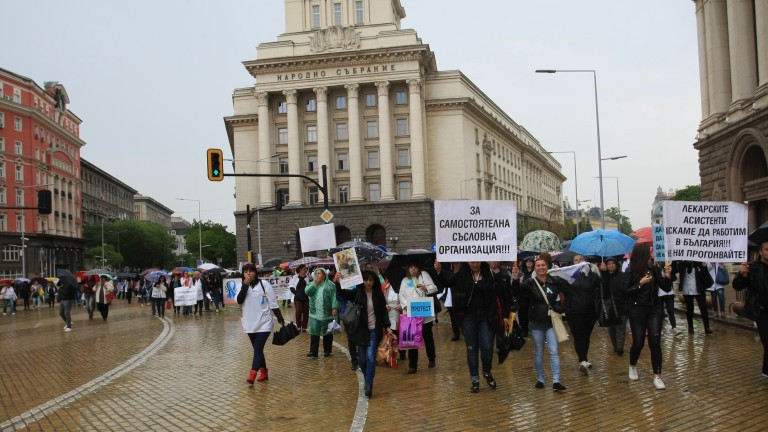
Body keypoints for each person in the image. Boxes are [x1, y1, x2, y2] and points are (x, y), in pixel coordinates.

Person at [436, 261, 508, 392]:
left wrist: (504, 315)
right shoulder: (462, 274)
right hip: (468, 317)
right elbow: (447, 282)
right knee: (471, 348)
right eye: (472, 262)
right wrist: (439, 271)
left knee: (487, 346)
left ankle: (487, 372)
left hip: (486, 317)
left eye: (477, 261)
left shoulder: (489, 274)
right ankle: (475, 379)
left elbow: (501, 292)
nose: (474, 264)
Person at [334, 270, 392, 398]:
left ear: (374, 281)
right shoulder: (357, 293)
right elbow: (344, 294)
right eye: (366, 280)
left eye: (371, 280)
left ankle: (369, 385)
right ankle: (368, 377)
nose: (368, 283)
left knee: (371, 357)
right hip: (360, 330)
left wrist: (387, 326)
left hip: (373, 330)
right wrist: (337, 282)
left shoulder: (378, 294)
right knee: (363, 360)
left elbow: (383, 311)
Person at [513, 258, 567, 392]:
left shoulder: (555, 281)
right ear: (535, 268)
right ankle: (541, 378)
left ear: (547, 266)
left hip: (551, 322)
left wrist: (562, 307)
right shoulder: (529, 283)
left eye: (543, 265)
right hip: (536, 322)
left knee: (554, 351)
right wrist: (515, 279)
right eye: (538, 265)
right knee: (538, 351)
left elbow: (568, 291)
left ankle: (556, 381)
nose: (541, 267)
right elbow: (517, 293)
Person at [625, 244, 673, 390]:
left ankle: (657, 376)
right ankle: (632, 365)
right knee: (638, 342)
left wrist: (668, 275)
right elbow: (626, 291)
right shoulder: (630, 271)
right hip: (637, 309)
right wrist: (640, 283)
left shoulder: (654, 269)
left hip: (654, 309)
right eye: (648, 253)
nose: (651, 255)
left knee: (655, 342)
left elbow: (665, 287)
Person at [237, 263, 284, 384]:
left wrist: (280, 317)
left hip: (264, 322)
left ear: (255, 272)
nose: (248, 273)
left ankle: (252, 373)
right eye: (245, 271)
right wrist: (245, 285)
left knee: (258, 348)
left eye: (251, 271)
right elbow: (239, 300)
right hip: (249, 322)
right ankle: (264, 371)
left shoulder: (264, 285)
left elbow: (273, 303)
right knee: (258, 349)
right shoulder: (240, 286)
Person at [733, 239, 768, 377]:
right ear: (760, 252)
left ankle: (766, 369)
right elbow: (738, 286)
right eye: (767, 249)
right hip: (761, 310)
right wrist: (742, 275)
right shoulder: (752, 267)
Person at [563, 254, 600, 374]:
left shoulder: (593, 276)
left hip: (590, 311)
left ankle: (585, 358)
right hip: (574, 311)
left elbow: (600, 288)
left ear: (585, 261)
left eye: (580, 259)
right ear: (573, 263)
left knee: (586, 335)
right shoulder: (568, 277)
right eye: (576, 260)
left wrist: (603, 272)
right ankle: (582, 360)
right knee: (578, 335)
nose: (578, 261)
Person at [399, 261, 438, 374]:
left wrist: (426, 288)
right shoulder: (405, 280)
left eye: (415, 267)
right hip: (412, 314)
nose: (413, 269)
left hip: (425, 312)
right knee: (413, 339)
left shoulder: (424, 275)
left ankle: (431, 358)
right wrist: (406, 305)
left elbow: (434, 288)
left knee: (427, 336)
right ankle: (412, 365)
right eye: (411, 267)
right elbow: (401, 294)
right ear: (408, 269)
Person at [305, 268, 340, 358]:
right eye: (316, 273)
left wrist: (335, 307)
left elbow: (335, 297)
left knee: (327, 331)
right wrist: (314, 285)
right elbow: (307, 292)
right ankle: (313, 352)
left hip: (327, 312)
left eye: (319, 273)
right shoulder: (312, 284)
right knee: (314, 331)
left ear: (324, 275)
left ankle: (327, 350)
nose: (317, 275)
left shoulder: (330, 285)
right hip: (314, 312)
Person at [598, 257, 629, 356]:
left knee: (620, 328)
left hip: (621, 306)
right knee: (611, 329)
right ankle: (615, 346)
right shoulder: (604, 276)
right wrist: (603, 273)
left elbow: (625, 289)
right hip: (609, 307)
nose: (611, 265)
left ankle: (620, 348)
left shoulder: (622, 276)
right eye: (609, 264)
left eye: (613, 263)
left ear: (616, 265)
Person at [674, 260, 714, 334]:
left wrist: (704, 267)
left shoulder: (699, 263)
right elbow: (676, 269)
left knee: (703, 308)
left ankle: (707, 327)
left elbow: (705, 275)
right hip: (687, 289)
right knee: (689, 309)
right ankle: (690, 327)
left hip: (699, 289)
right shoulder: (682, 264)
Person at [289, 264, 311, 332]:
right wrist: (296, 293)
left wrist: (311, 280)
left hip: (306, 297)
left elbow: (311, 287)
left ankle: (304, 326)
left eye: (306, 269)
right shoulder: (295, 277)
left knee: (306, 312)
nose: (305, 270)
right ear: (300, 269)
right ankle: (298, 325)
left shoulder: (308, 277)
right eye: (304, 269)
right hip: (298, 298)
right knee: (298, 311)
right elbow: (291, 286)